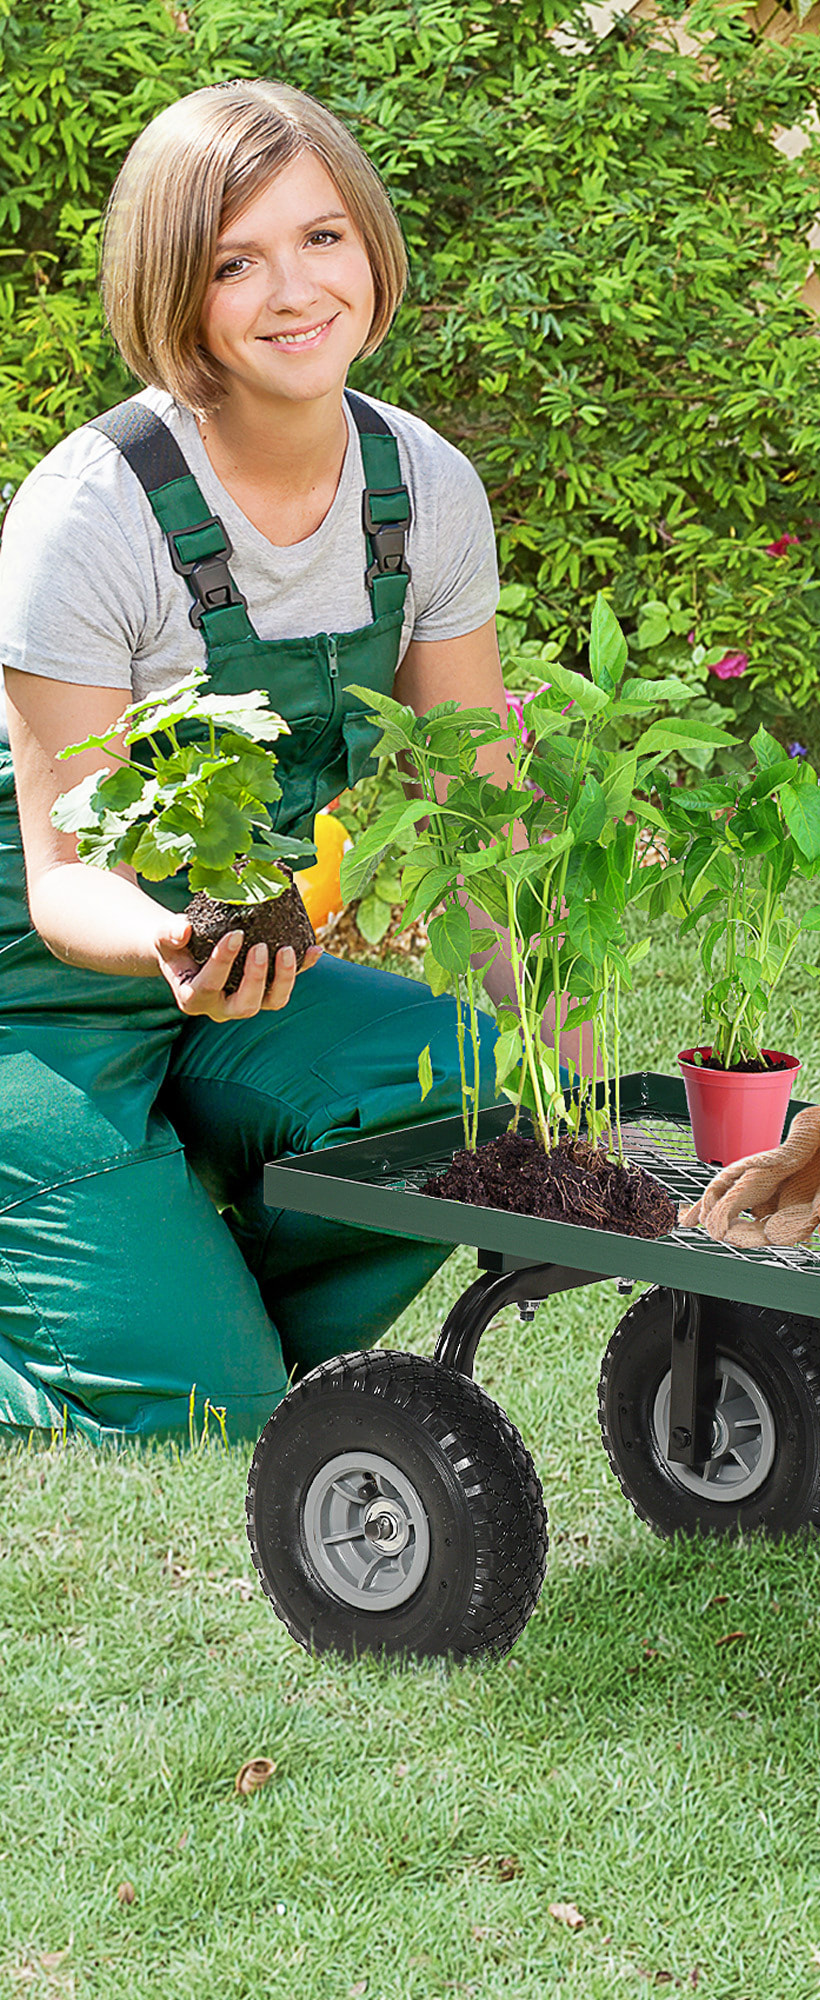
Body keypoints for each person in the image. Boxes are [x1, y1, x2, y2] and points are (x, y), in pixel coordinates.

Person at [0, 80, 574, 1443]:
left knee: (481, 1097)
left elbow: (469, 800)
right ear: (173, 293)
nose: (295, 289)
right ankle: (116, 1282)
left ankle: (168, 1263)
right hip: (36, 1005)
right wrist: (165, 945)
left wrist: (565, 1074)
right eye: (233, 262)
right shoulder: (89, 518)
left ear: (371, 245)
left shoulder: (420, 489)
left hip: (236, 985)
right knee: (206, 1415)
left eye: (323, 238)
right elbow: (62, 884)